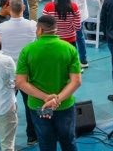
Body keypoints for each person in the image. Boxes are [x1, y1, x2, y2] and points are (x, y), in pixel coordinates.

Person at [16, 15, 82, 150]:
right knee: (68, 141)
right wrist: (57, 99)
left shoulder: (27, 50)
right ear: (55, 29)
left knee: (46, 142)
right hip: (64, 105)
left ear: (40, 30)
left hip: (39, 106)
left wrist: (46, 98)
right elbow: (76, 81)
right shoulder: (69, 49)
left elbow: (20, 82)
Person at [0, 0, 38, 145]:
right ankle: (32, 136)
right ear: (24, 8)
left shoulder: (1, 28)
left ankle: (6, 138)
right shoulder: (33, 25)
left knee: (7, 105)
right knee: (30, 104)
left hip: (9, 73)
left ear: (9, 8)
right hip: (27, 72)